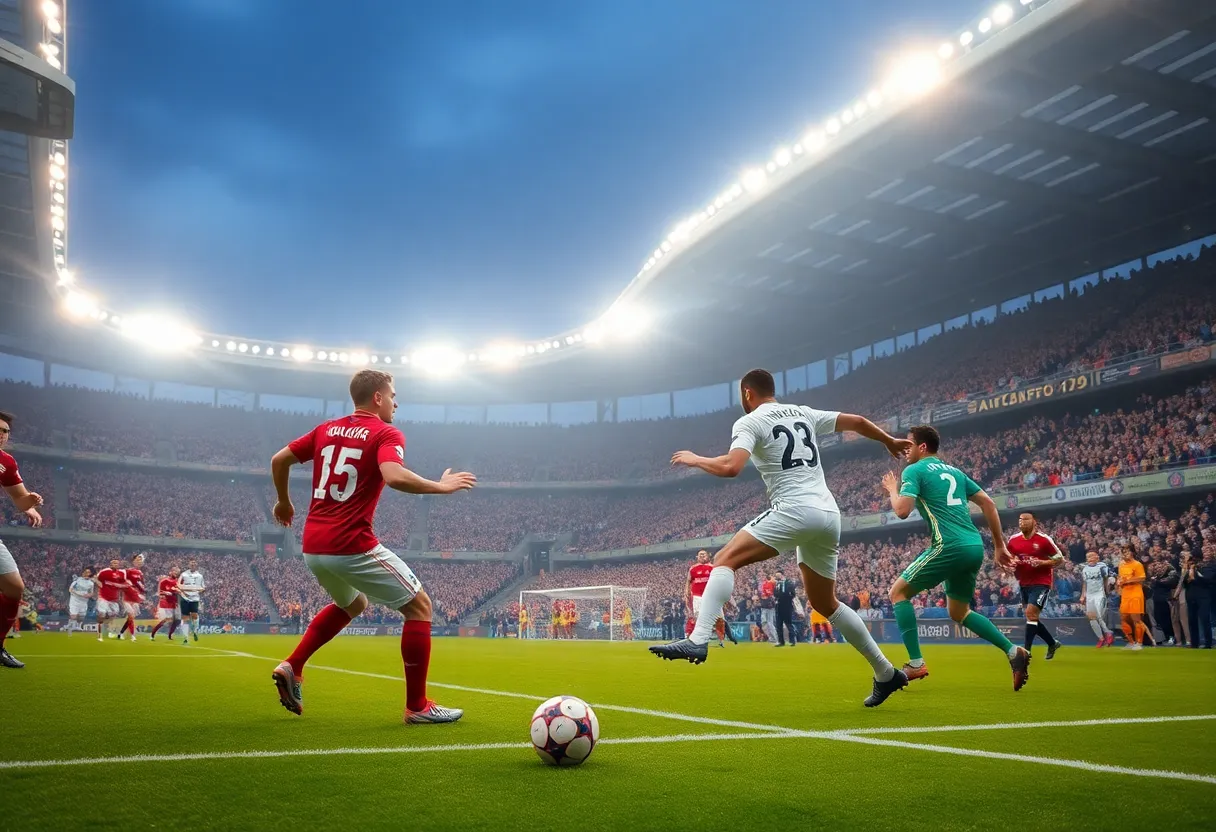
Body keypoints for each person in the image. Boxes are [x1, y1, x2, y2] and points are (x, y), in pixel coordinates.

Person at [651, 368, 911, 709]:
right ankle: (885, 672)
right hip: (829, 515)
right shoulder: (803, 413)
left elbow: (732, 466)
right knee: (825, 603)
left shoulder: (750, 421)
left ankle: (698, 639)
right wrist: (889, 441)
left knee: (723, 561)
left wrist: (696, 459)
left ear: (747, 393)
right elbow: (858, 421)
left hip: (795, 510)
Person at [269, 369, 476, 722]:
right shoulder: (385, 432)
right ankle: (417, 707)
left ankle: (294, 664)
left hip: (313, 546)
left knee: (353, 603)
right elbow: (394, 476)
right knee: (419, 607)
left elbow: (279, 460)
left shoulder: (325, 430)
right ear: (377, 398)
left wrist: (284, 503)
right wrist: (441, 488)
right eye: (393, 395)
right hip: (350, 543)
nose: (397, 402)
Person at [881, 425, 1031, 691]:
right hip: (974, 546)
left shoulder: (914, 471)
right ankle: (1012, 652)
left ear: (923, 447)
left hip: (948, 544)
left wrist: (893, 489)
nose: (905, 452)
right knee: (958, 611)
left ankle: (916, 663)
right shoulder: (956, 472)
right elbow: (988, 503)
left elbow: (902, 511)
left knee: (898, 594)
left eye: (909, 446)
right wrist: (999, 546)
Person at [0, 410, 44, 669]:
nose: (2, 435)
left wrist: (31, 502)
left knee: (14, 588)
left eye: (5, 431)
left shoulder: (6, 462)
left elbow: (19, 498)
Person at [1006, 512, 1064, 660]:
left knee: (1031, 614)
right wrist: (1012, 563)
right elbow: (1009, 558)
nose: (1022, 522)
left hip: (1041, 582)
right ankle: (1052, 643)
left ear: (1034, 522)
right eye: (1020, 519)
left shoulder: (1044, 540)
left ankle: (1026, 651)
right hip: (1024, 583)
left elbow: (1059, 559)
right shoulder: (1013, 540)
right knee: (1032, 618)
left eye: (1026, 519)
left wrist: (1042, 562)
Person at [1079, 551, 1115, 647]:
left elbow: (1106, 579)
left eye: (1091, 556)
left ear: (1097, 557)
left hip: (1099, 594)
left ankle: (1108, 633)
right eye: (1087, 557)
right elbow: (1085, 583)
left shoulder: (1102, 567)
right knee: (1091, 617)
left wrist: (1107, 592)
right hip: (1089, 595)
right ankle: (1101, 638)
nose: (1089, 558)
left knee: (1099, 616)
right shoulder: (1085, 569)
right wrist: (1083, 595)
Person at [1117, 547, 1147, 651]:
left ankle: (1139, 643)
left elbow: (1142, 577)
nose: (1125, 554)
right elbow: (1120, 577)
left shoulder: (1137, 564)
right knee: (1124, 618)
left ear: (1132, 553)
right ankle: (1130, 642)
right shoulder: (1121, 565)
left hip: (1135, 592)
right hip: (1125, 593)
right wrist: (1119, 583)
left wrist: (1128, 580)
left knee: (1136, 618)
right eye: (1123, 552)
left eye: (1127, 552)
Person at [1182, 550, 1213, 649]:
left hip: (1203, 596)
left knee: (1205, 619)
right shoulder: (1187, 567)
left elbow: (1207, 580)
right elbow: (1184, 582)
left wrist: (1194, 573)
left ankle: (1208, 643)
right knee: (1192, 620)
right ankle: (1194, 643)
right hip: (1191, 596)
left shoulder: (1209, 566)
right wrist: (1187, 572)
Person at [95, 557, 130, 643]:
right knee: (102, 615)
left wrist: (122, 595)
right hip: (103, 597)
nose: (115, 564)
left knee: (113, 615)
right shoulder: (104, 572)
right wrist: (99, 589)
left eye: (116, 563)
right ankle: (99, 635)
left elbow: (123, 584)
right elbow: (96, 579)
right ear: (110, 564)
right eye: (113, 563)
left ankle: (106, 627)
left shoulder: (121, 573)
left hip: (114, 599)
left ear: (119, 565)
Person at [118, 553, 147, 642]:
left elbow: (142, 586)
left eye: (140, 560)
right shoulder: (128, 571)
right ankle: (133, 635)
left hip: (135, 597)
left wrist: (142, 595)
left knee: (131, 617)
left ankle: (121, 633)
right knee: (130, 616)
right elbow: (121, 582)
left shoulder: (140, 573)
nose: (139, 561)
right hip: (127, 596)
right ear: (133, 561)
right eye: (137, 559)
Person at [177, 558, 206, 644]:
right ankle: (185, 638)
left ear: (196, 565)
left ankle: (195, 631)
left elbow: (203, 587)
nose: (193, 564)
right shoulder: (183, 574)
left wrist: (198, 591)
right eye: (191, 563)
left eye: (194, 563)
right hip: (185, 598)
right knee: (185, 618)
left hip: (195, 598)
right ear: (189, 565)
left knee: (194, 616)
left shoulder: (200, 576)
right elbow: (178, 585)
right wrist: (183, 593)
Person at [150, 567, 182, 641]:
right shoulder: (164, 581)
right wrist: (167, 593)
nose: (176, 573)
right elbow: (159, 592)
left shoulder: (178, 582)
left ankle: (170, 635)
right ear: (170, 572)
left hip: (174, 604)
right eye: (174, 571)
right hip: (165, 603)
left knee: (177, 620)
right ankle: (152, 634)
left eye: (177, 572)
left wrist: (179, 592)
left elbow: (180, 592)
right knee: (164, 620)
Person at [773, 570, 798, 647]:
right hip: (779, 606)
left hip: (787, 606)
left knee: (788, 624)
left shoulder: (789, 583)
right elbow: (775, 593)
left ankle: (793, 641)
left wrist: (786, 597)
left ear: (782, 575)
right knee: (778, 625)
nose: (777, 577)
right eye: (776, 576)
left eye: (778, 576)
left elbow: (793, 594)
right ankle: (781, 642)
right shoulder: (777, 584)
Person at [67, 567, 95, 636]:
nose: (86, 573)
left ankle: (78, 627)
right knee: (74, 616)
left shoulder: (91, 584)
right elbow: (70, 589)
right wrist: (78, 594)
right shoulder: (77, 580)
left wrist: (88, 595)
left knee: (81, 617)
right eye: (85, 572)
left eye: (88, 572)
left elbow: (91, 593)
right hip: (74, 600)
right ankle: (70, 629)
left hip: (84, 602)